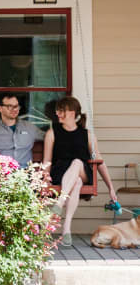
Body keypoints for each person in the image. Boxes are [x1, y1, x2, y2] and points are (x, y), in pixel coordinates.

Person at [43, 96, 117, 247]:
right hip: (61, 173)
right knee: (75, 182)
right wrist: (44, 179)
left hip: (83, 170)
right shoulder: (52, 133)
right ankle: (67, 228)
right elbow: (47, 160)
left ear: (71, 112)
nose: (57, 113)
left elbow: (100, 163)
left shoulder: (88, 135)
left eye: (61, 110)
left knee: (77, 163)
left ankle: (60, 201)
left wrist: (111, 188)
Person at [0, 93, 44, 168]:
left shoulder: (29, 127)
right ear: (0, 108)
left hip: (24, 174)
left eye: (16, 106)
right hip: (1, 174)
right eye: (10, 106)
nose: (15, 109)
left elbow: (49, 137)